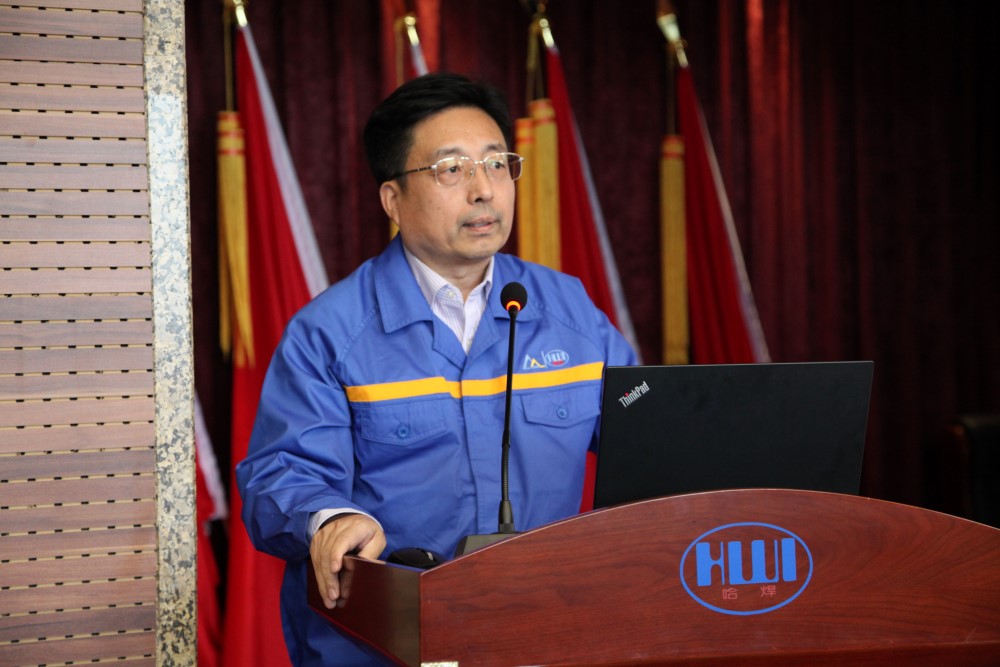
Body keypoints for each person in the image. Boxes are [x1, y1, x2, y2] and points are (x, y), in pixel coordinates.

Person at [236, 72, 636, 666]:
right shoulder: (330, 333)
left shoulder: (568, 311)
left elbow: (643, 425)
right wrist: (330, 519)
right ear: (392, 199)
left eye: (497, 164)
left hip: (545, 634)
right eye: (452, 169)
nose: (484, 190)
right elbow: (282, 474)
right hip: (385, 643)